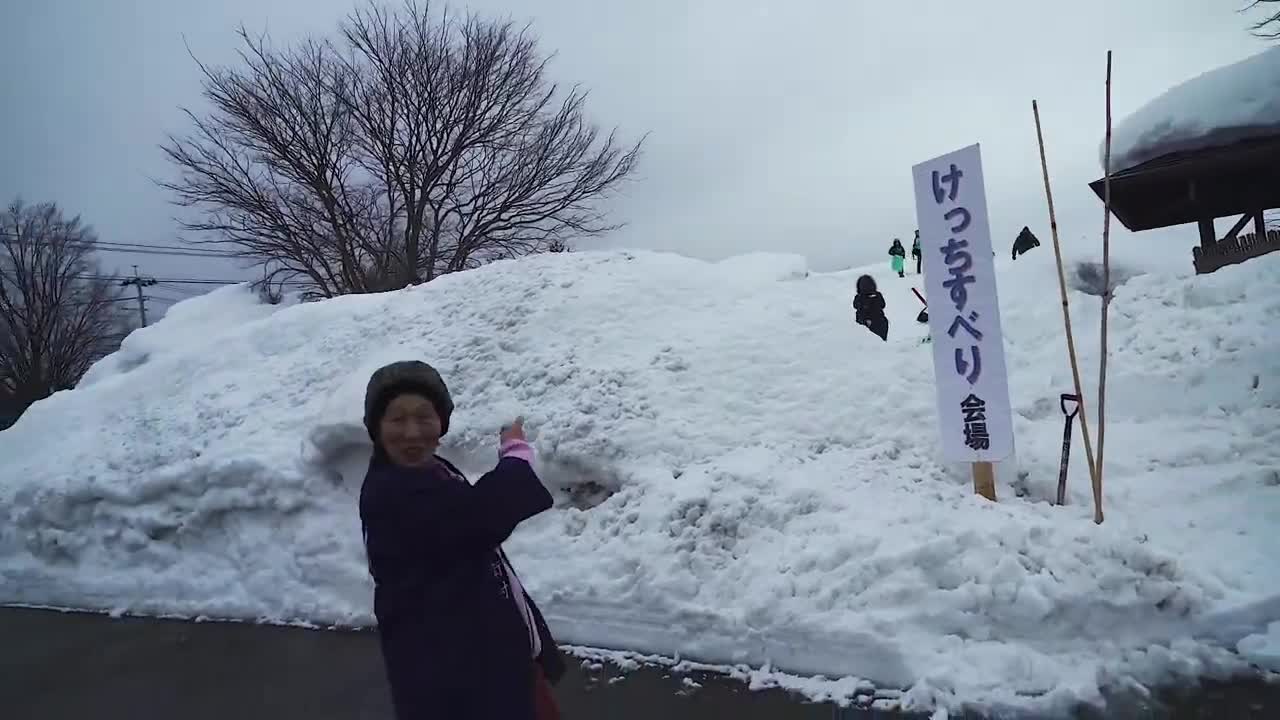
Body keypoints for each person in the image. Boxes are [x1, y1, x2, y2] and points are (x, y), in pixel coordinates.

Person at [359, 360, 565, 720]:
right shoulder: (390, 494)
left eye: (424, 417)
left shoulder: (432, 470)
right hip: (458, 688)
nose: (411, 432)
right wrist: (516, 453)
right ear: (376, 428)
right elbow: (481, 514)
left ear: (442, 424)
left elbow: (468, 538)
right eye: (397, 418)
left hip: (491, 665)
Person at [852, 274, 889, 341]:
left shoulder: (859, 297)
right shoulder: (876, 295)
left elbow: (856, 306)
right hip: (878, 322)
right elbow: (882, 305)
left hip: (867, 324)